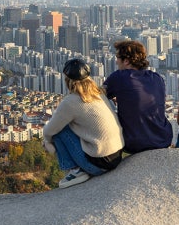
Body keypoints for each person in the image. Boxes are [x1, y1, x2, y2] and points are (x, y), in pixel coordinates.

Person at [42, 58, 124, 189]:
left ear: (68, 81)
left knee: (59, 131)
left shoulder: (71, 102)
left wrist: (46, 142)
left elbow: (49, 131)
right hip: (117, 157)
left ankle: (75, 170)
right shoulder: (99, 93)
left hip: (98, 166)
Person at [104, 40, 173, 153]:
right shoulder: (157, 77)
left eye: (118, 58)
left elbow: (96, 96)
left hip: (134, 143)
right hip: (163, 139)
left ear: (126, 61)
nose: (116, 62)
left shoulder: (119, 77)